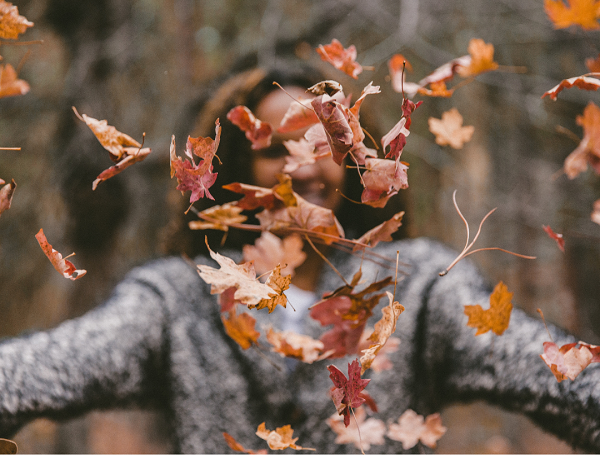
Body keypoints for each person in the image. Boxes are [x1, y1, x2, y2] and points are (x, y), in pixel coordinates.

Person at [1, 58, 599, 454]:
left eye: (318, 143)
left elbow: (551, 377)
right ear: (238, 172)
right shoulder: (179, 298)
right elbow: (48, 367)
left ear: (350, 155)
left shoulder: (416, 287)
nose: (299, 167)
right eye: (273, 151)